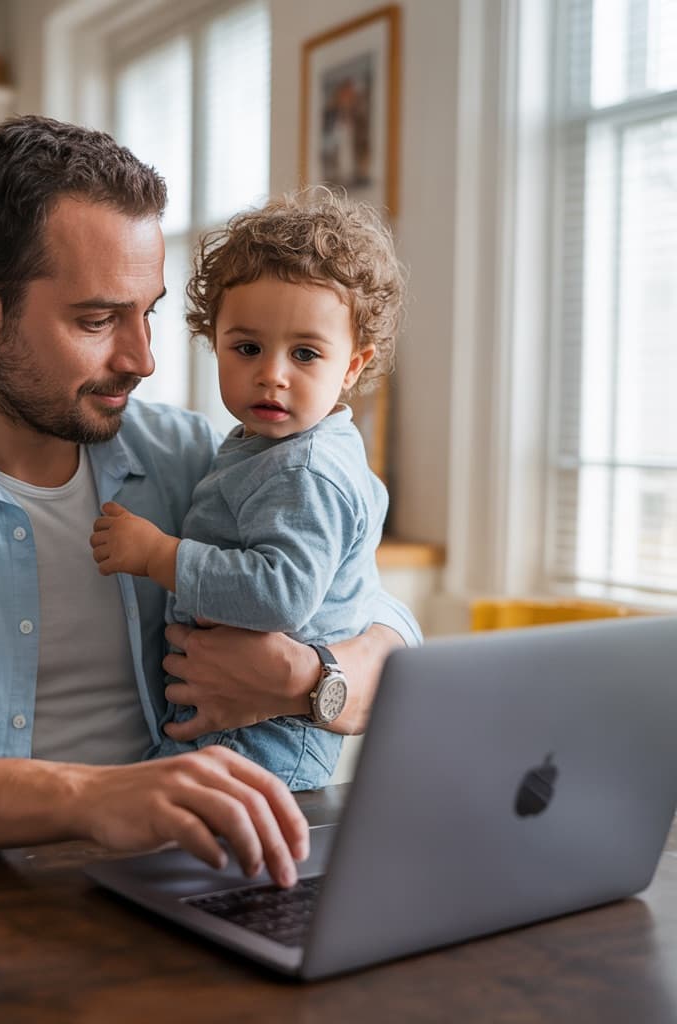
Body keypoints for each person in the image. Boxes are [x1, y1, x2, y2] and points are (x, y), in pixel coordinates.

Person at [0, 116, 420, 889]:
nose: (143, 359)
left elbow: (388, 632)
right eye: (97, 320)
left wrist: (306, 678)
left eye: (148, 313)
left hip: (177, 885)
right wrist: (91, 798)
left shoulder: (199, 460)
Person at [91, 190, 405, 790]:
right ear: (214, 341)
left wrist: (160, 555)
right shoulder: (272, 447)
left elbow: (282, 596)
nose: (272, 374)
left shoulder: (304, 468)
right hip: (245, 726)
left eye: (305, 353)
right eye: (247, 348)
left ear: (352, 366)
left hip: (255, 736)